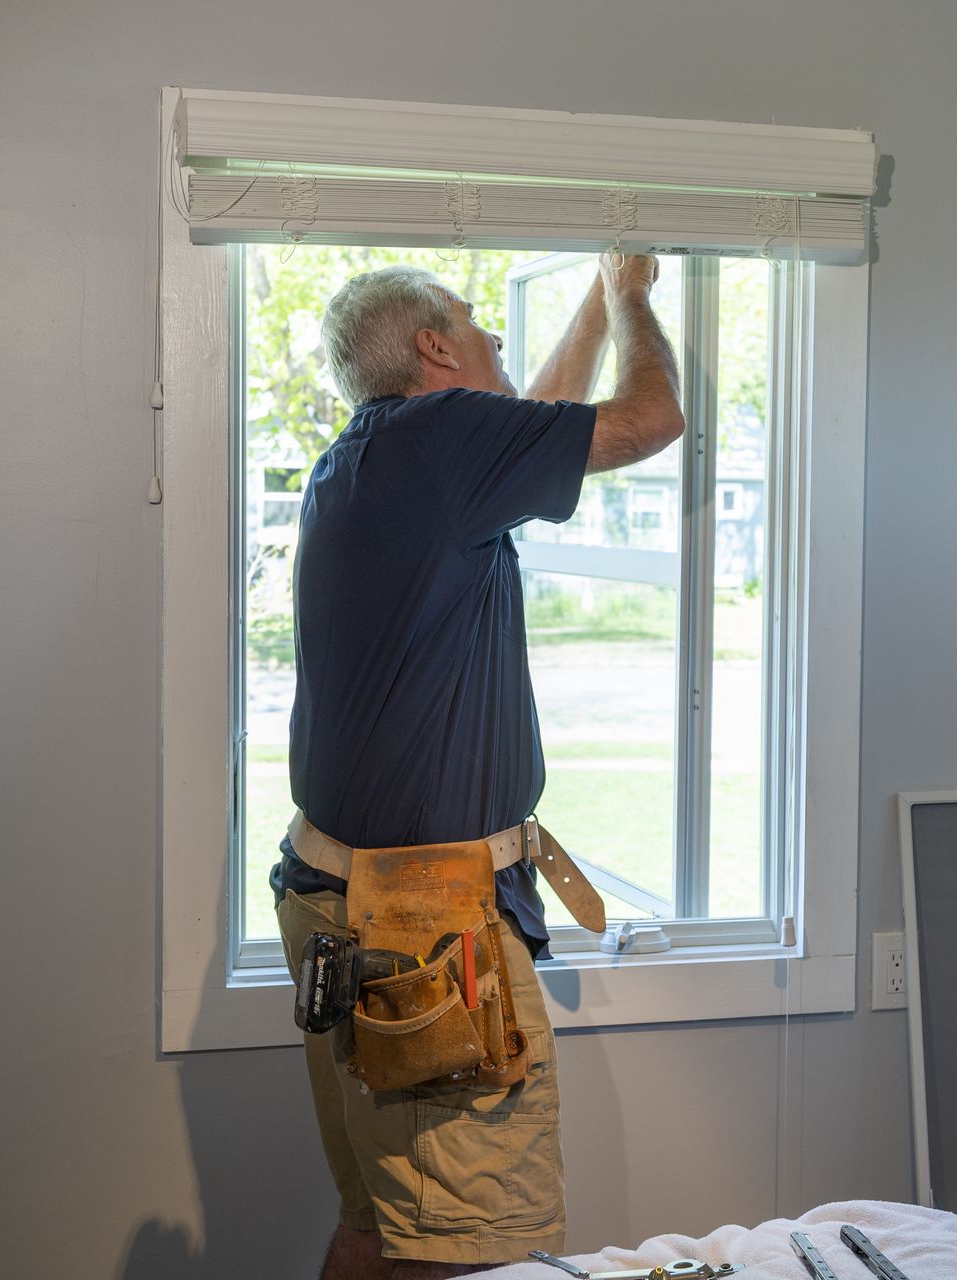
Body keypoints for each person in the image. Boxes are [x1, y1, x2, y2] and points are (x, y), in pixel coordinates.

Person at [272, 251, 683, 1280]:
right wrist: (633, 303)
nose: (496, 336)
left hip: (338, 900)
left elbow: (538, 408)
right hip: (422, 924)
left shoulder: (379, 459)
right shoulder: (444, 442)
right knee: (467, 1248)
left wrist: (593, 292)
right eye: (476, 320)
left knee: (379, 1221)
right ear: (434, 346)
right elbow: (647, 418)